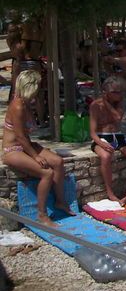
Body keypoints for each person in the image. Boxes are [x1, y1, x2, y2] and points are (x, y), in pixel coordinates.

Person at [2, 71, 74, 226]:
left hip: (26, 145)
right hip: (13, 149)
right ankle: (42, 215)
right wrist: (36, 156)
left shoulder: (27, 103)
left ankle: (60, 202)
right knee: (46, 173)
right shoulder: (18, 106)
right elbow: (20, 137)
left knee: (58, 162)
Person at [89, 77, 126, 205]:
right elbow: (92, 132)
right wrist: (101, 143)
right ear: (105, 92)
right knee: (106, 156)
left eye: (120, 91)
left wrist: (107, 102)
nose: (119, 95)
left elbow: (117, 117)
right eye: (115, 92)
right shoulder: (95, 106)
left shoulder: (119, 102)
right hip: (102, 136)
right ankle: (110, 192)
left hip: (118, 136)